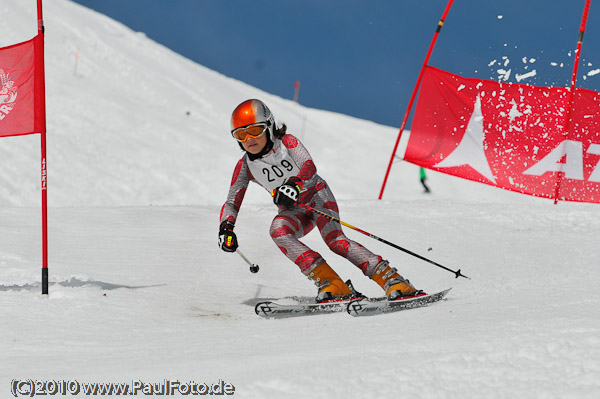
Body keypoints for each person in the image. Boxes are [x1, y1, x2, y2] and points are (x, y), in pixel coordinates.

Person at [218, 99, 422, 302]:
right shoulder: (245, 166)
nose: (249, 139)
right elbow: (231, 201)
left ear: (269, 127)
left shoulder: (287, 143)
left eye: (255, 130)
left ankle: (393, 280)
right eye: (240, 134)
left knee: (336, 241)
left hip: (317, 197)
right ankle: (332, 284)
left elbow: (308, 166)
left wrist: (294, 184)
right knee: (278, 231)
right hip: (294, 210)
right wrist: (226, 227)